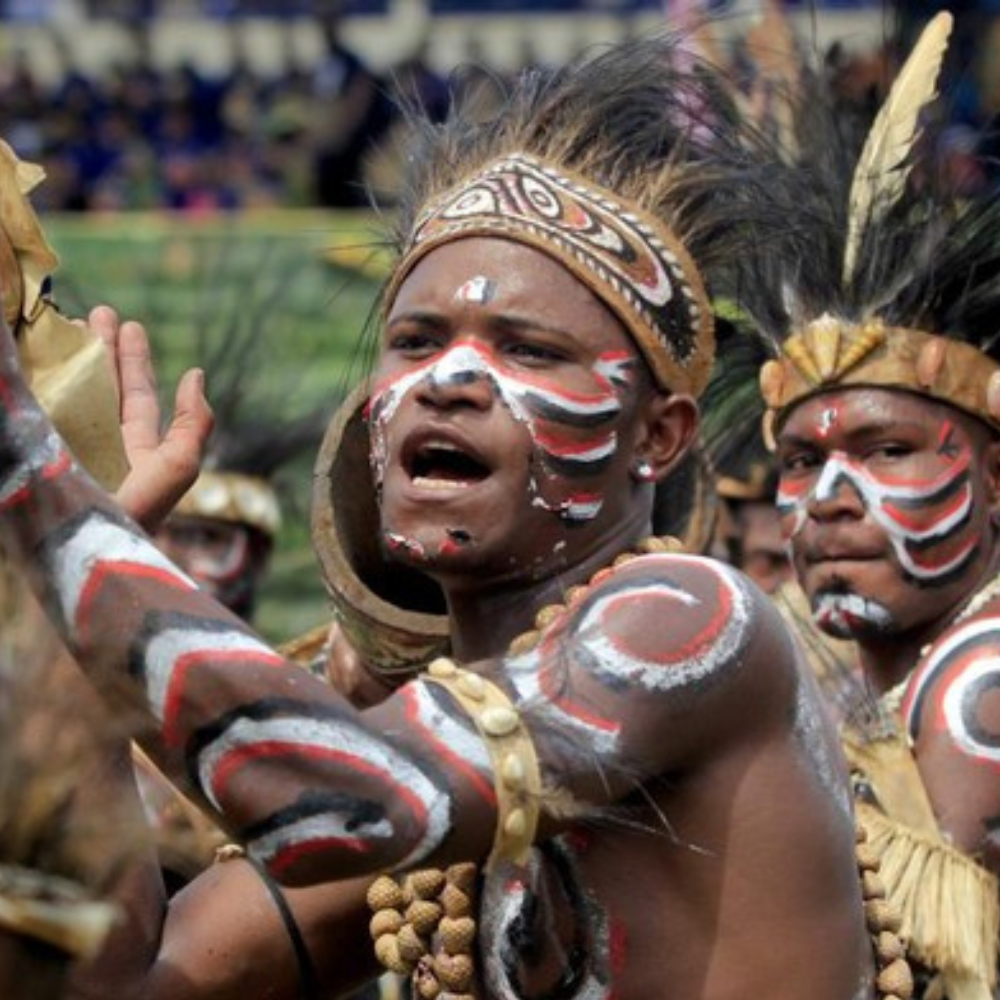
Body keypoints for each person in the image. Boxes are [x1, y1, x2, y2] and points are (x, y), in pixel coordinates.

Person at [0, 36, 898, 1000]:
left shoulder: (688, 622)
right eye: (418, 341)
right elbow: (119, 978)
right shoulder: (441, 773)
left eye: (529, 350)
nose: (452, 383)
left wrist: (30, 466)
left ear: (661, 436)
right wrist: (65, 572)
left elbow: (338, 799)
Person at [721, 9, 1000, 998]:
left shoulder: (980, 676)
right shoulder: (861, 680)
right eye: (802, 459)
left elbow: (919, 961)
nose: (831, 499)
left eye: (888, 449)